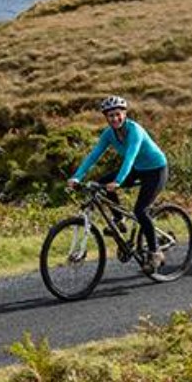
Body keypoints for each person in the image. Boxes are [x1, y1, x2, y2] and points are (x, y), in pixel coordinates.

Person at [67, 95, 169, 265]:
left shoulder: (135, 130)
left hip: (156, 170)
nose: (115, 118)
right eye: (110, 115)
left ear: (125, 113)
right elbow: (93, 156)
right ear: (106, 118)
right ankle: (119, 220)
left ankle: (155, 251)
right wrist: (77, 176)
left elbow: (130, 157)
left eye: (117, 114)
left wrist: (119, 181)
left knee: (140, 211)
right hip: (138, 169)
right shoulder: (108, 134)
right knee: (102, 183)